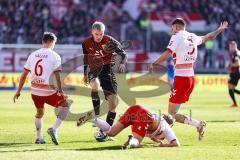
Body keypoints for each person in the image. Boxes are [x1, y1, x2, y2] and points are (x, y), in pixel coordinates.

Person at [149, 18, 228, 140]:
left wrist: (154, 64)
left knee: (171, 114)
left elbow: (168, 53)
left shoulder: (177, 36)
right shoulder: (192, 36)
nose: (172, 31)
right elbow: (209, 37)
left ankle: (197, 124)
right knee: (173, 112)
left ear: (175, 27)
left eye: (172, 29)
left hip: (181, 79)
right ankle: (164, 135)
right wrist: (219, 29)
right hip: (191, 78)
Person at [13, 32, 72, 145]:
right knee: (66, 105)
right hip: (48, 91)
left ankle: (38, 137)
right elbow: (57, 76)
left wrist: (18, 91)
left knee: (40, 113)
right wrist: (60, 90)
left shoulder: (33, 55)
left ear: (43, 42)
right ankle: (54, 129)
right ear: (52, 42)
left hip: (35, 91)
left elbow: (24, 75)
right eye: (54, 43)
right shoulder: (55, 56)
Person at [82, 21, 127, 140]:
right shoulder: (86, 42)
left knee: (113, 104)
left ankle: (106, 131)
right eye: (96, 34)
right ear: (92, 32)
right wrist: (84, 73)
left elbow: (123, 54)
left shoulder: (109, 41)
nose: (99, 36)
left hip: (107, 71)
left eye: (101, 34)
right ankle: (96, 117)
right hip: (94, 69)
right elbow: (86, 59)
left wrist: (122, 63)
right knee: (95, 84)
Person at [93, 104, 180, 149]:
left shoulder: (160, 124)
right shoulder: (167, 128)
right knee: (136, 143)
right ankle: (132, 140)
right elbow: (176, 144)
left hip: (135, 108)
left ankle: (93, 119)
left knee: (111, 132)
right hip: (144, 115)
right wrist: (163, 146)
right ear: (171, 125)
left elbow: (153, 137)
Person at [227, 41, 240, 107]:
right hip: (234, 73)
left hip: (236, 73)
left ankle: (235, 103)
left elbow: (238, 64)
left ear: (235, 46)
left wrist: (230, 65)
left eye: (231, 47)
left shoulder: (236, 53)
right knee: (231, 88)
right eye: (230, 47)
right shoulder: (235, 53)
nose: (230, 48)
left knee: (230, 88)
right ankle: (235, 103)